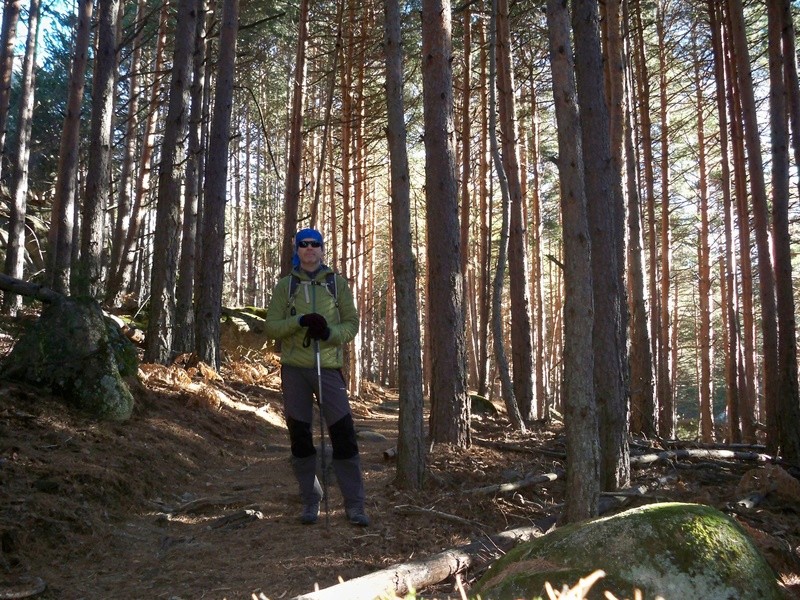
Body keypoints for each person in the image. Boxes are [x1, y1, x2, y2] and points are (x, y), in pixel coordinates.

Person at [265, 228, 369, 526]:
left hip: (329, 367)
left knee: (344, 434)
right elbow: (272, 327)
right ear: (296, 251)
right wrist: (299, 321)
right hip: (294, 369)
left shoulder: (337, 284)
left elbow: (351, 324)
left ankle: (355, 504)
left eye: (315, 244)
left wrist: (328, 333)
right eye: (303, 245)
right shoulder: (286, 286)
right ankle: (310, 500)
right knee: (300, 437)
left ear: (323, 250)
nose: (309, 249)